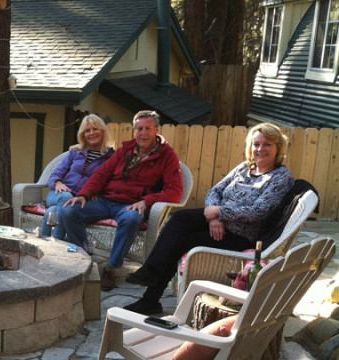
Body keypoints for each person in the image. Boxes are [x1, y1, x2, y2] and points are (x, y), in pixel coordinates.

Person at [123, 122, 295, 315]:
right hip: (220, 222)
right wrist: (215, 219)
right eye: (256, 144)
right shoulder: (244, 168)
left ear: (278, 147)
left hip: (241, 235)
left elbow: (258, 212)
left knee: (182, 240)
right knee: (179, 219)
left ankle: (150, 296)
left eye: (267, 144)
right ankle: (151, 276)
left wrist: (219, 212)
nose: (260, 149)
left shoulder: (280, 177)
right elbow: (216, 190)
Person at [61, 110, 183, 291]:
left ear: (156, 129)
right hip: (106, 200)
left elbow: (175, 192)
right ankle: (84, 259)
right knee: (69, 210)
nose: (143, 133)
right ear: (134, 131)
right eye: (139, 129)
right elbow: (102, 174)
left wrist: (147, 201)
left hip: (131, 205)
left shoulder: (167, 155)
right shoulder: (125, 150)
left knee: (131, 219)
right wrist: (83, 194)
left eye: (148, 129)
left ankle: (111, 267)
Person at [41, 114, 114, 239]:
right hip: (58, 194)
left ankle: (43, 241)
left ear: (103, 131)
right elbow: (56, 174)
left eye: (95, 129)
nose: (91, 133)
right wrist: (58, 183)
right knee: (66, 198)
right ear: (83, 135)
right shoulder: (75, 152)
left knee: (52, 212)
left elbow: (112, 181)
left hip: (82, 199)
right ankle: (57, 242)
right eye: (87, 130)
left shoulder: (112, 157)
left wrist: (97, 191)